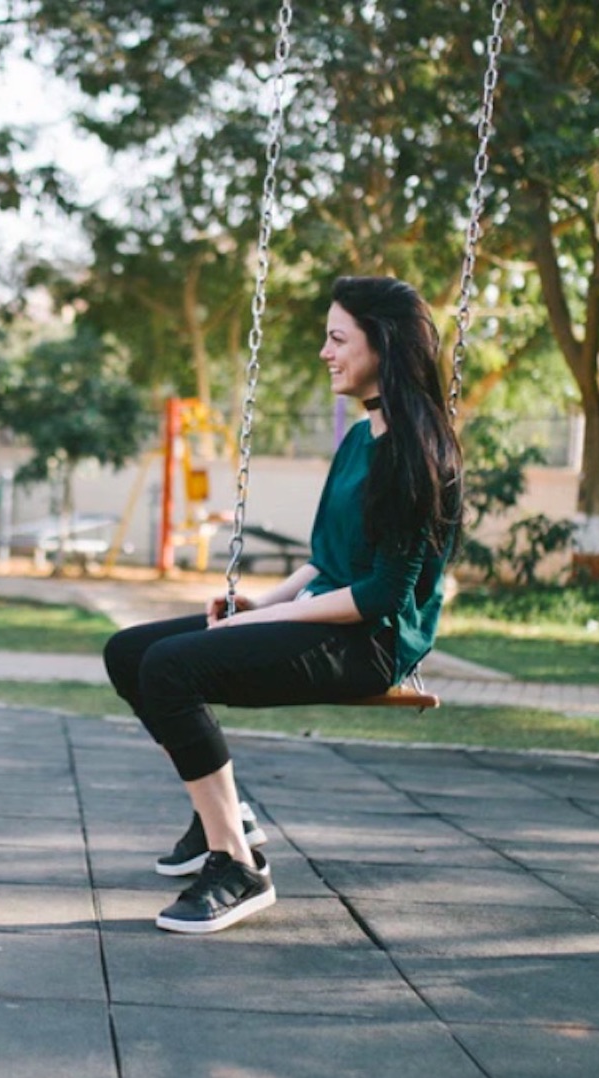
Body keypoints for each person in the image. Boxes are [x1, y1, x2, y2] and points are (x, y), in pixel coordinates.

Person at [103, 276, 463, 934]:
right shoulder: (361, 439)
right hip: (327, 612)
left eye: (337, 338)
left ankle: (236, 865)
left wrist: (270, 618)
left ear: (382, 343)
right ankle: (225, 812)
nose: (325, 352)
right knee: (129, 653)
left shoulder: (417, 453)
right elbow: (328, 558)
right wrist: (259, 600)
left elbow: (381, 593)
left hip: (372, 641)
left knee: (170, 670)